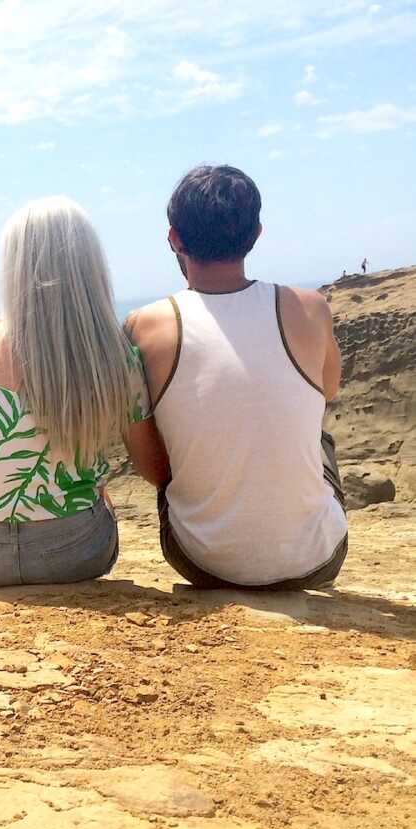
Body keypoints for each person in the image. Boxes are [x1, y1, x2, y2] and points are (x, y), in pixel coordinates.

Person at [126, 165, 348, 590]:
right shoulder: (310, 307)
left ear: (174, 238)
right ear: (257, 233)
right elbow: (329, 388)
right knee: (319, 435)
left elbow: (151, 466)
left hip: (200, 562)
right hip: (315, 561)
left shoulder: (144, 325)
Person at [0, 197, 169, 590]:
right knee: (99, 499)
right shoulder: (116, 357)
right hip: (73, 553)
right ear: (90, 267)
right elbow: (154, 469)